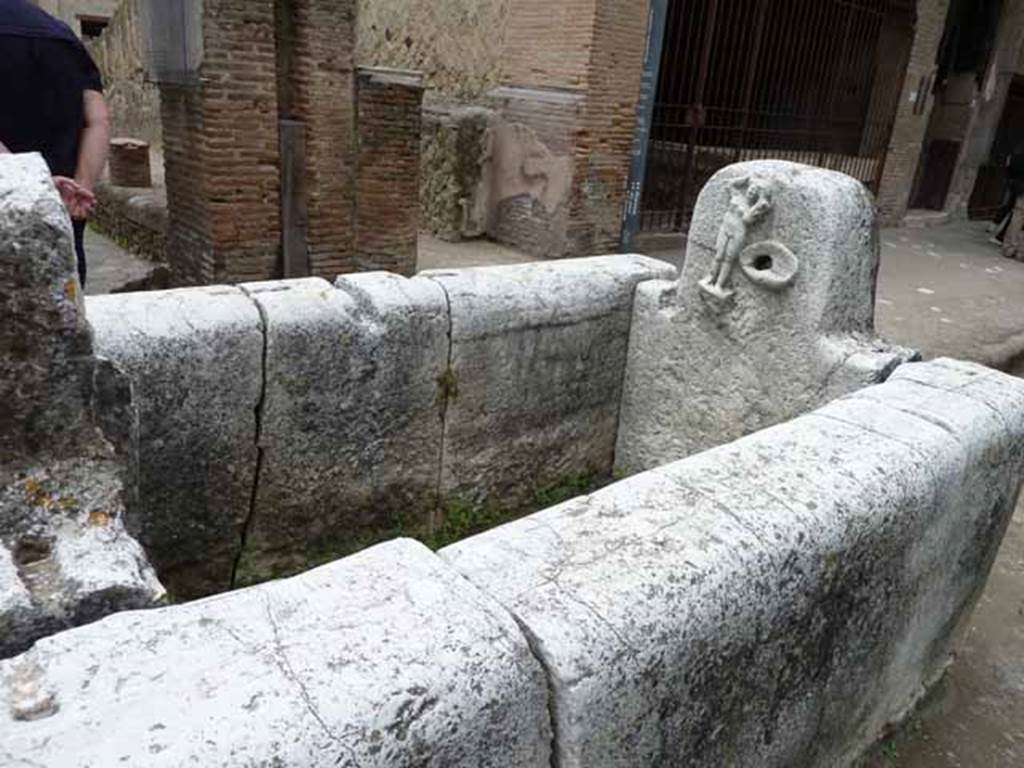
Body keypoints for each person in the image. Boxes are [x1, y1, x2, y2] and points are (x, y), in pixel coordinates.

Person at [0, 0, 111, 287]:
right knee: (67, 309)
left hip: (7, 210)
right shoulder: (62, 35)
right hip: (64, 208)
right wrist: (82, 187)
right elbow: (98, 120)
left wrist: (31, 185)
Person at [993, 142, 1024, 246]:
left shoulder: (1016, 155)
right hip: (1020, 187)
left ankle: (1004, 239)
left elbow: (1009, 169)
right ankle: (1006, 239)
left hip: (1016, 186)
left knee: (1014, 212)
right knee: (1016, 214)